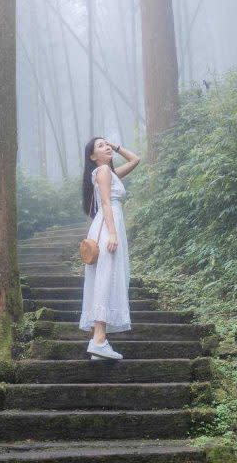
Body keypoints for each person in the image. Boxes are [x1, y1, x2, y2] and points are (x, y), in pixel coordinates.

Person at [79, 136, 141, 359]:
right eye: (100, 146)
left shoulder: (110, 172)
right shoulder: (103, 171)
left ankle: (99, 340)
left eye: (107, 144)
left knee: (105, 279)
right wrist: (112, 233)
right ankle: (99, 340)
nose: (106, 147)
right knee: (106, 279)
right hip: (108, 227)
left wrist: (116, 147)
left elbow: (136, 159)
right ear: (92, 157)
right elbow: (106, 202)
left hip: (108, 224)